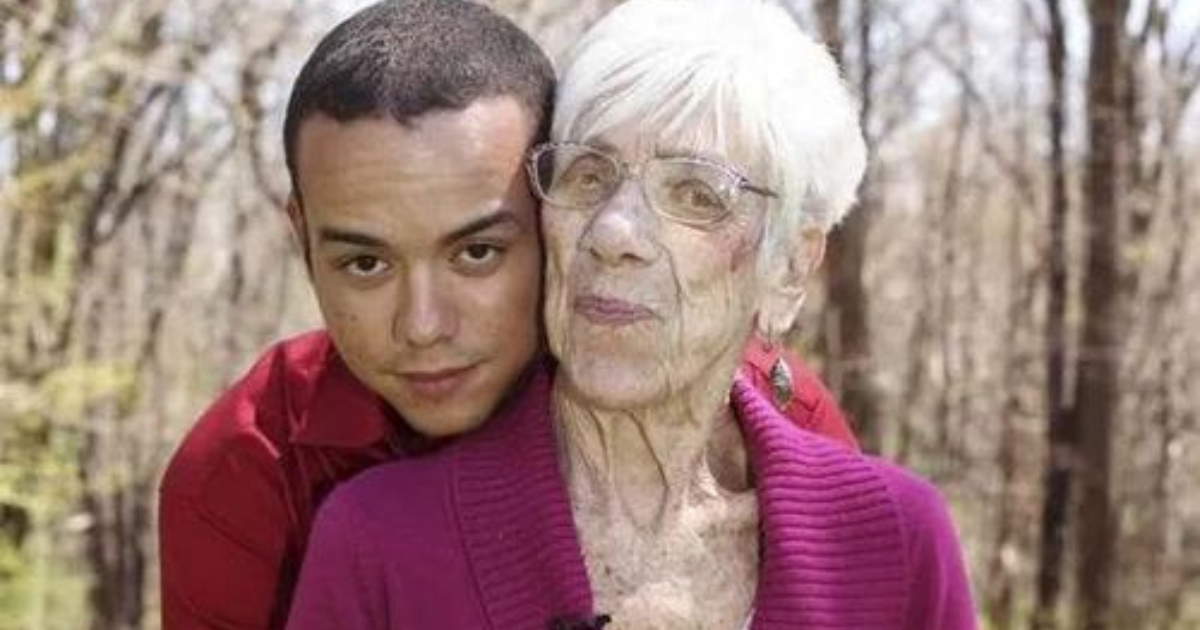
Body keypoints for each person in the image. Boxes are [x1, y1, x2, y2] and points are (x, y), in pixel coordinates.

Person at [157, 1, 854, 629]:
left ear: (557, 211)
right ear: (302, 237)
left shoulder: (762, 413)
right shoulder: (246, 469)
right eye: (365, 263)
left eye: (477, 253)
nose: (423, 326)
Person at [283, 0, 978, 629]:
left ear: (791, 266)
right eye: (589, 175)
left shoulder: (894, 538)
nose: (613, 232)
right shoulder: (381, 542)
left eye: (697, 194)